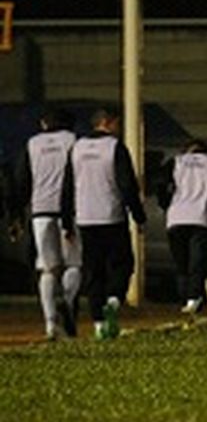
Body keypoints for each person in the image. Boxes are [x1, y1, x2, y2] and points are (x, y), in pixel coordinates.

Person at [62, 106, 147, 341]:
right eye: (117, 124)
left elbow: (68, 186)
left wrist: (67, 222)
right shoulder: (114, 148)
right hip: (112, 216)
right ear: (108, 123)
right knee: (123, 264)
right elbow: (127, 185)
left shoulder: (76, 148)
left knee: (93, 272)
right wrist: (138, 216)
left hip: (86, 218)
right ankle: (113, 300)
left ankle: (99, 324)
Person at [13, 107, 83, 339]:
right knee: (73, 263)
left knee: (47, 268)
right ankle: (67, 298)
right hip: (70, 210)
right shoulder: (74, 141)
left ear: (44, 124)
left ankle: (50, 323)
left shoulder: (32, 144)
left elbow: (21, 180)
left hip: (40, 211)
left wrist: (16, 214)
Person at [157, 139, 207, 316]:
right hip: (202, 218)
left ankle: (184, 299)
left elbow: (161, 185)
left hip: (177, 218)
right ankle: (193, 298)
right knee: (198, 263)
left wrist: (166, 205)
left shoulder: (176, 161)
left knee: (182, 264)